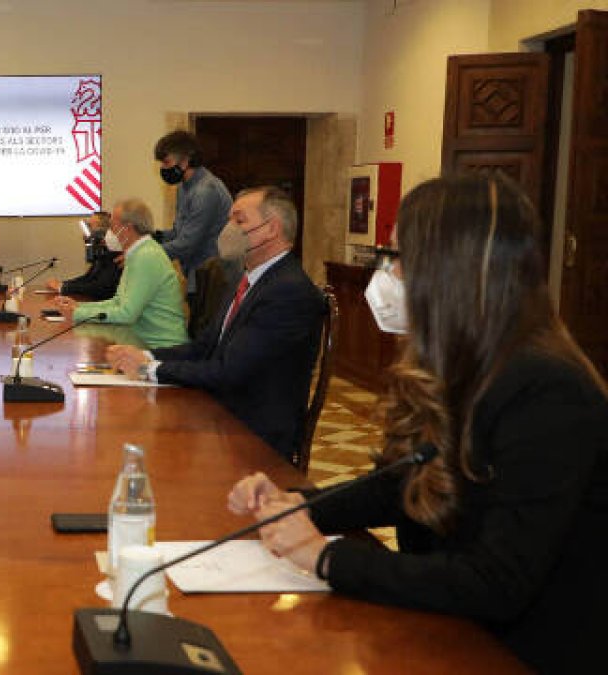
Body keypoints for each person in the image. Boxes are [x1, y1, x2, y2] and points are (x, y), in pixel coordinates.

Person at [226, 173, 608, 673]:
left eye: (400, 259)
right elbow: (399, 486)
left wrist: (325, 558)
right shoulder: (456, 365)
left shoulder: (548, 389)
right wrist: (297, 505)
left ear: (455, 272)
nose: (389, 275)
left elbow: (497, 581)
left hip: (518, 651)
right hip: (449, 628)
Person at [106, 186, 325, 461]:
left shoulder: (287, 291)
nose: (229, 228)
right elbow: (203, 347)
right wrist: (144, 356)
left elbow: (228, 371)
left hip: (253, 437)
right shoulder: (247, 279)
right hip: (223, 414)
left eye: (239, 220)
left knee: (156, 453)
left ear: (272, 229)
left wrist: (149, 369)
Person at [53, 198, 188, 349]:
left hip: (161, 349)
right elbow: (118, 301)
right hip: (142, 342)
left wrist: (77, 314)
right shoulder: (138, 253)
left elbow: (126, 314)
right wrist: (79, 307)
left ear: (128, 229)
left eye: (112, 227)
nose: (108, 233)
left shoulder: (146, 256)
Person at [151, 130, 232, 293]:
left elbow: (187, 244)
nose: (163, 168)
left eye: (166, 162)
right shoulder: (184, 187)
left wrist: (145, 253)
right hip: (195, 274)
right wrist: (153, 237)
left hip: (212, 279)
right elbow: (179, 232)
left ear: (185, 160)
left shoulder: (205, 191)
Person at [45, 211, 122, 300]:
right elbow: (88, 278)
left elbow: (99, 287)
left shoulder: (114, 256)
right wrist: (62, 284)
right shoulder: (102, 254)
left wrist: (63, 288)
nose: (88, 234)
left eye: (91, 226)